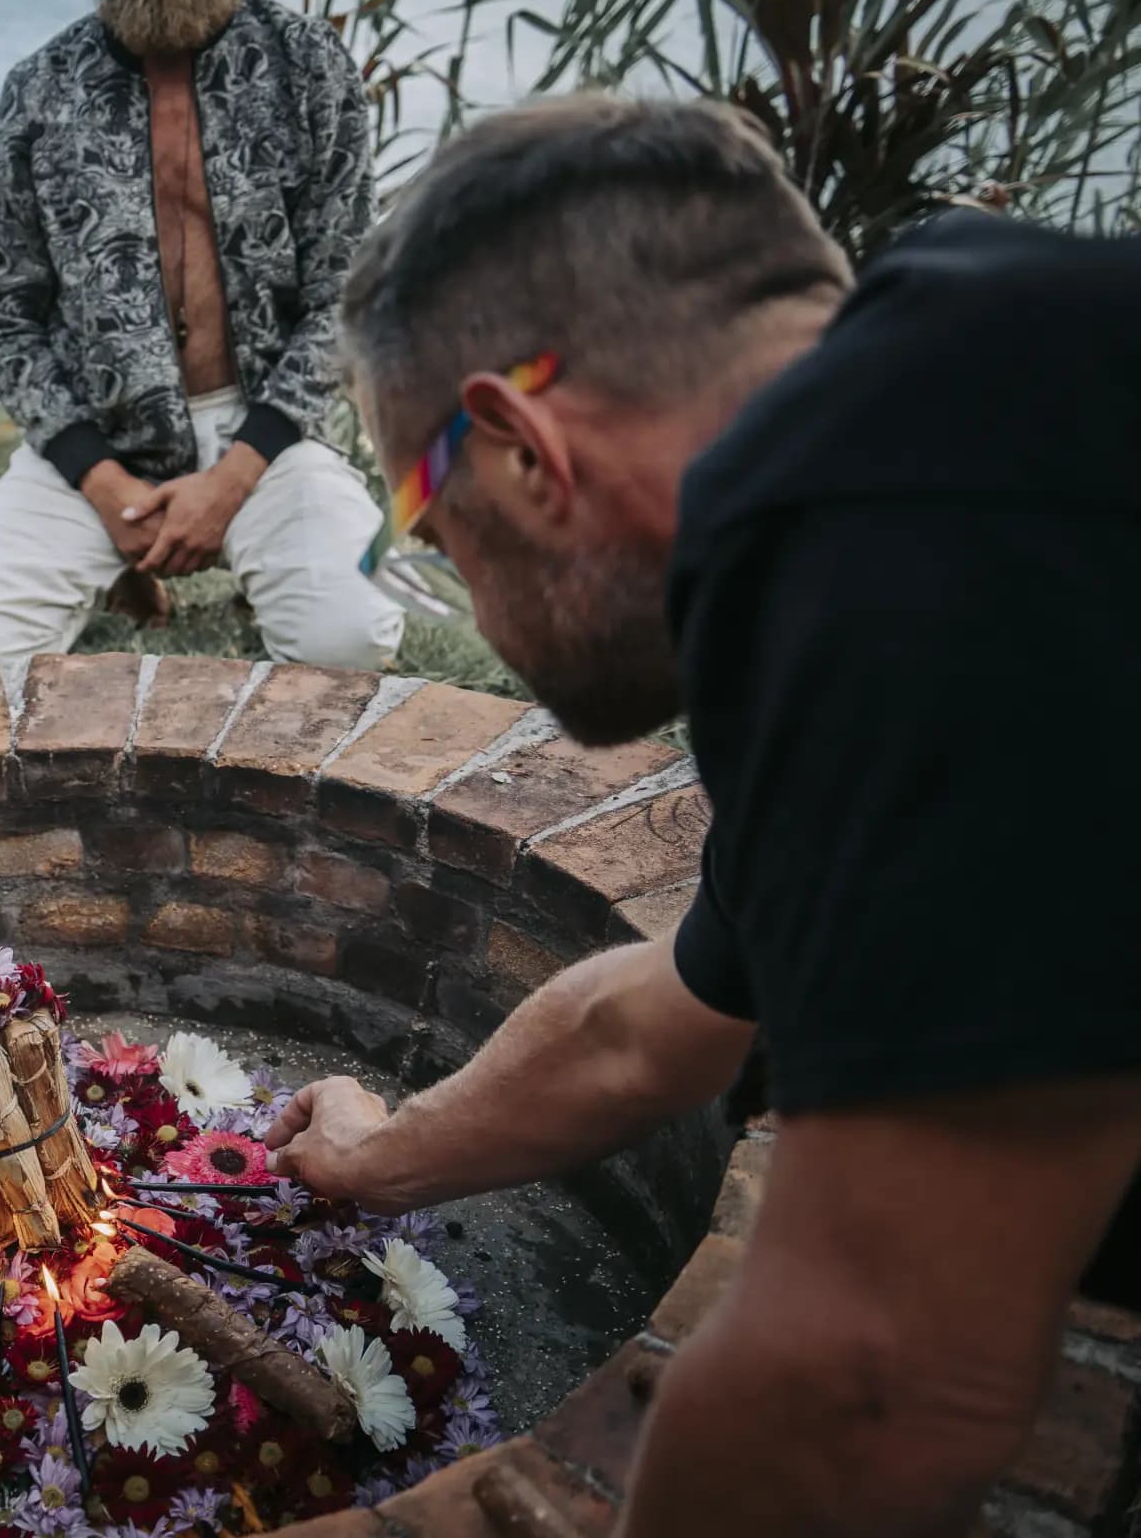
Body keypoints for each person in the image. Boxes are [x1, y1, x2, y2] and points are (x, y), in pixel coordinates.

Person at [266, 95, 1141, 1536]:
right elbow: (658, 1022)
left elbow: (871, 1388)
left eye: (425, 526)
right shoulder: (949, 419)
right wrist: (378, 1153)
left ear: (520, 447)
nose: (466, 605)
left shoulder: (896, 572)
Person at [0, 0, 404, 669]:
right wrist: (100, 480)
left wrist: (235, 478)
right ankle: (117, 566)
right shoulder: (42, 88)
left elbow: (343, 299)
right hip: (100, 441)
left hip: (266, 435)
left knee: (350, 639)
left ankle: (253, 559)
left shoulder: (305, 62)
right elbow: (8, 320)